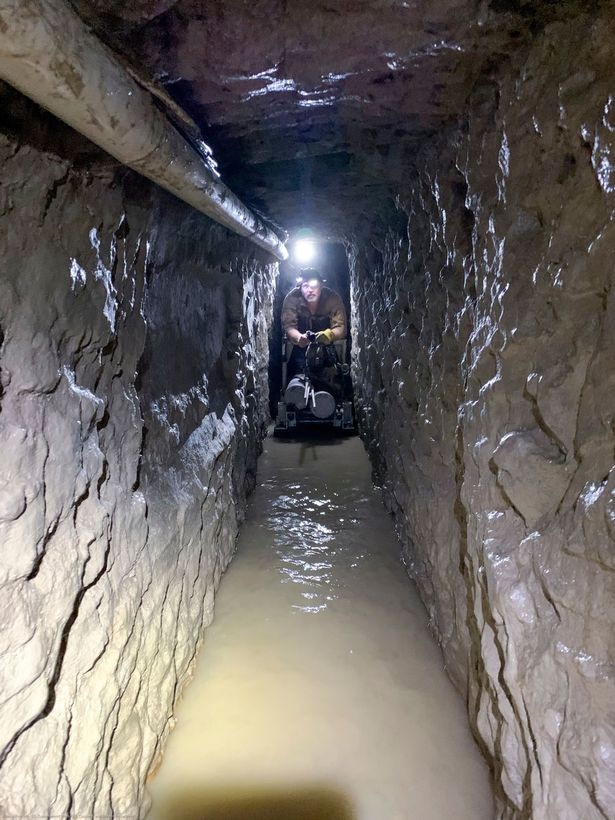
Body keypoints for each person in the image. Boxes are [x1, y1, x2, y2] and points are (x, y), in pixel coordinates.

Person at [281, 269, 347, 382]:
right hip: (300, 347)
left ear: (321, 285)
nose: (310, 290)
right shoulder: (292, 299)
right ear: (300, 287)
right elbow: (288, 326)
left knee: (331, 378)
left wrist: (329, 335)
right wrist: (299, 337)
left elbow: (341, 327)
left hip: (327, 347)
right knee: (297, 379)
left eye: (314, 286)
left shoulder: (332, 299)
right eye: (305, 286)